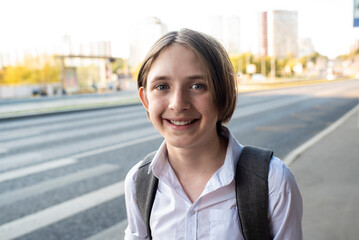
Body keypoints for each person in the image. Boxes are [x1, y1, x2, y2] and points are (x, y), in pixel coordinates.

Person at [124, 28, 303, 240]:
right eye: (162, 86)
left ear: (223, 93)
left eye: (197, 86)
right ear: (145, 99)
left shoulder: (273, 181)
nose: (178, 103)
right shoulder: (139, 182)